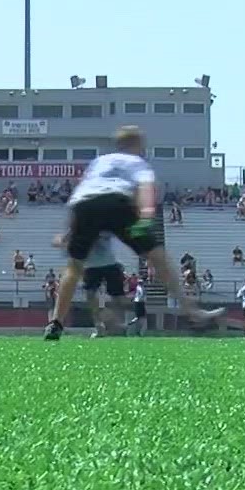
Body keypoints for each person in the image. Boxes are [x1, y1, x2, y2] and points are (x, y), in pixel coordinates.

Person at [44, 126, 219, 340]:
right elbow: (145, 186)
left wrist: (68, 233)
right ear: (138, 145)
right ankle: (194, 314)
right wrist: (146, 214)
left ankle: (55, 323)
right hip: (118, 201)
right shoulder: (137, 162)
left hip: (85, 204)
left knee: (74, 266)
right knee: (158, 257)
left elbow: (82, 193)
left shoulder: (100, 161)